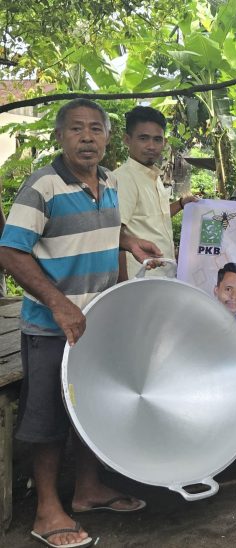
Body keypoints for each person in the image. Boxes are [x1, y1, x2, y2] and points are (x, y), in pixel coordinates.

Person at [0, 99, 161, 548]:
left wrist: (130, 241)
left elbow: (108, 229)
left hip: (97, 323)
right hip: (52, 327)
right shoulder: (43, 186)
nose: (87, 137)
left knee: (92, 411)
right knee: (47, 419)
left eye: (96, 129)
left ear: (109, 138)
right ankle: (47, 509)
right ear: (60, 136)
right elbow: (11, 250)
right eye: (77, 129)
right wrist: (57, 303)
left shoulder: (108, 181)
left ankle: (88, 492)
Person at [115, 105, 197, 280]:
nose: (151, 146)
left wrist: (182, 204)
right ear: (127, 140)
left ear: (164, 143)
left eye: (157, 139)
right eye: (143, 138)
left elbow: (155, 215)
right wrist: (122, 287)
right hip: (139, 276)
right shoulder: (125, 178)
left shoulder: (153, 175)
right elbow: (115, 235)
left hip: (161, 274)